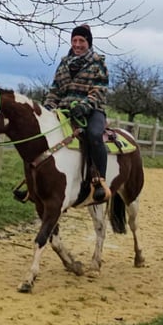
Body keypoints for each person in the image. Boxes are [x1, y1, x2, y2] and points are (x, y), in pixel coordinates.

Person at [43, 24, 110, 203]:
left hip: (92, 110)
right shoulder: (64, 63)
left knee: (94, 135)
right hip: (64, 110)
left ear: (88, 42)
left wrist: (84, 106)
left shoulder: (98, 63)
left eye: (81, 40)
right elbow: (55, 90)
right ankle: (35, 180)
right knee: (44, 134)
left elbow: (99, 90)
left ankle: (99, 180)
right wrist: (47, 108)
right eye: (74, 40)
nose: (77, 44)